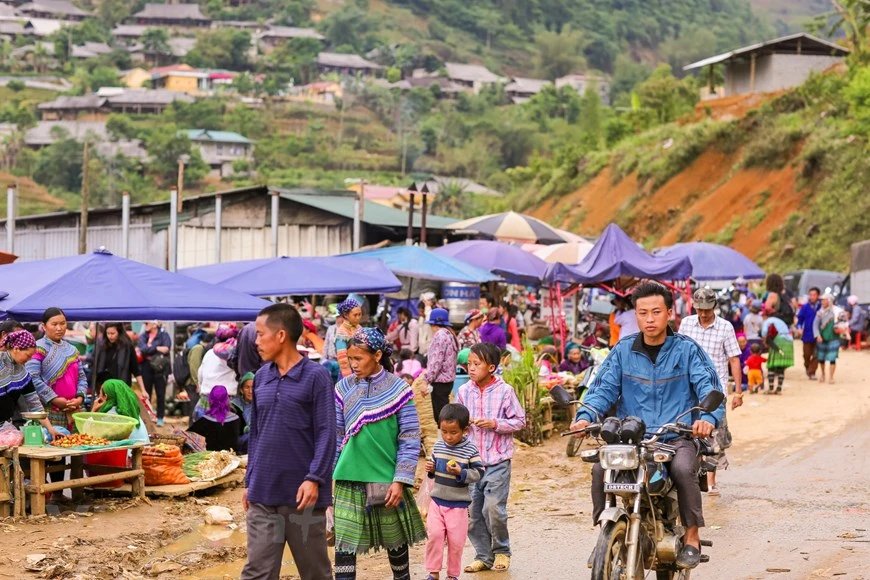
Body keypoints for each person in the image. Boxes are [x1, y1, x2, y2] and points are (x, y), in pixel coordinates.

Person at [571, 282, 725, 570]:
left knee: (682, 468)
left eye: (656, 312)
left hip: (675, 434)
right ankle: (605, 535)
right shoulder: (623, 350)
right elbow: (602, 389)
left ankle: (692, 534)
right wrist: (586, 416)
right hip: (631, 437)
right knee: (599, 468)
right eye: (643, 313)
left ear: (669, 313)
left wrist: (706, 418)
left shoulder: (688, 350)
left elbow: (709, 386)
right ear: (636, 315)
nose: (650, 319)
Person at [241, 304, 335, 580]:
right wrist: (249, 481)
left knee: (315, 573)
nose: (256, 342)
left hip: (303, 497)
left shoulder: (316, 377)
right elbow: (256, 433)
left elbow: (327, 433)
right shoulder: (261, 378)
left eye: (260, 334)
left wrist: (315, 478)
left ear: (281, 335)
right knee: (257, 571)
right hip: (263, 494)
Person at [333, 327, 426, 580]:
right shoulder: (343, 388)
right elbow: (337, 436)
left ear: (376, 355)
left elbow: (409, 438)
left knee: (395, 541)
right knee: (344, 544)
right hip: (348, 476)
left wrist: (400, 480)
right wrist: (325, 478)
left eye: (358, 358)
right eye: (350, 359)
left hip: (386, 477)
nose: (353, 364)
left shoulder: (399, 390)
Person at [456, 342, 525, 573]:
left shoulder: (505, 392)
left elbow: (519, 421)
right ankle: (483, 556)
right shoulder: (464, 391)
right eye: (469, 364)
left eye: (477, 364)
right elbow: (457, 421)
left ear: (492, 367)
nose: (471, 368)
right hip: (471, 464)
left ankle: (502, 551)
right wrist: (463, 427)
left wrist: (495, 424)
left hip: (497, 462)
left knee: (494, 509)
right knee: (472, 514)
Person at [27, 307, 88, 500]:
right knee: (52, 451)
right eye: (54, 324)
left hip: (73, 409)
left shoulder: (72, 349)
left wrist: (79, 397)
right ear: (44, 326)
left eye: (63, 323)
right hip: (49, 409)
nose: (60, 328)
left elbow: (82, 377)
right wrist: (55, 399)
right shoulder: (37, 349)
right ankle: (52, 494)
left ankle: (72, 492)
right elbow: (33, 378)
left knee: (75, 449)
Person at [424, 403, 485, 580]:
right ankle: (433, 572)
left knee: (456, 542)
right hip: (437, 501)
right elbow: (434, 468)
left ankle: (452, 575)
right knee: (434, 536)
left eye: (453, 432)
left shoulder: (470, 449)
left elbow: (479, 472)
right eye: (444, 432)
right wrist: (431, 468)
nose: (448, 437)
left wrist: (461, 472)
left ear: (465, 430)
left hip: (458, 505)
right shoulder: (438, 446)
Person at [0, 330, 62, 438]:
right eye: (28, 355)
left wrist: (51, 429)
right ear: (16, 349)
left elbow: (34, 404)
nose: (29, 360)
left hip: (5, 428)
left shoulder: (23, 374)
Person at [193, 326, 239, 421]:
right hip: (228, 401)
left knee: (202, 432)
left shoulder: (209, 353)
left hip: (206, 399)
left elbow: (200, 373)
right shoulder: (236, 354)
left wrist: (200, 386)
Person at [425, 308, 459, 424]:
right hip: (448, 382)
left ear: (434, 324)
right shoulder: (450, 334)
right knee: (444, 413)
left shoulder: (439, 336)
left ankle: (444, 441)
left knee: (441, 417)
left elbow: (435, 362)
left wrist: (426, 380)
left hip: (440, 382)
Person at [188, 385, 244, 452]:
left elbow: (188, 435)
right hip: (232, 457)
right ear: (227, 399)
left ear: (210, 399)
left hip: (210, 458)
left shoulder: (204, 421)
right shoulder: (236, 419)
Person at [92, 378, 149, 443]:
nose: (98, 396)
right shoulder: (130, 410)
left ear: (106, 396)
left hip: (130, 452)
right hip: (141, 449)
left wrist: (93, 409)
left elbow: (89, 434)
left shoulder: (111, 413)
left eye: (100, 393)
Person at [137, 320, 171, 426]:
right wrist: (157, 348)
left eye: (147, 323)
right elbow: (142, 349)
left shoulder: (164, 335)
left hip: (160, 368)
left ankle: (160, 417)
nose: (145, 325)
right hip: (146, 367)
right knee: (147, 393)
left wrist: (149, 348)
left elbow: (166, 348)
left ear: (154, 324)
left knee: (160, 393)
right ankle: (148, 415)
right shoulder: (143, 336)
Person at [93, 323, 144, 391]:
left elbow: (136, 370)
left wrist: (143, 390)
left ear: (119, 332)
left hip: (122, 387)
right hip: (104, 387)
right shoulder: (102, 346)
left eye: (112, 333)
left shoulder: (127, 347)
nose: (110, 336)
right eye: (107, 333)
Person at [761, 306, 794, 394]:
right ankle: (779, 390)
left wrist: (765, 342)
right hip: (788, 343)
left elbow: (764, 332)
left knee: (772, 366)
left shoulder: (768, 321)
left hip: (778, 342)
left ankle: (771, 389)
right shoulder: (781, 321)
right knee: (781, 367)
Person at [813, 293, 841, 384]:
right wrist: (818, 335)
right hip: (822, 338)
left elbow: (843, 323)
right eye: (822, 300)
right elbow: (815, 325)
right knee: (821, 358)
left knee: (832, 358)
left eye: (824, 300)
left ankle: (831, 377)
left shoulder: (837, 312)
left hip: (833, 338)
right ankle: (823, 374)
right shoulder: (820, 313)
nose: (822, 302)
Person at [796, 287, 821, 380]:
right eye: (811, 295)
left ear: (818, 295)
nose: (812, 297)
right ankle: (807, 365)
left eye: (814, 295)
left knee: (817, 354)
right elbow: (800, 320)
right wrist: (799, 328)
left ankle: (812, 372)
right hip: (807, 333)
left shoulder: (821, 307)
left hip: (818, 334)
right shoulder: (805, 307)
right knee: (806, 354)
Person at [335, 298, 363, 378]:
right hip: (349, 372)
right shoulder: (342, 333)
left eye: (359, 314)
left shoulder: (359, 328)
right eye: (355, 315)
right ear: (346, 315)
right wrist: (349, 378)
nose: (358, 317)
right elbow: (343, 359)